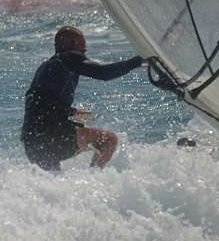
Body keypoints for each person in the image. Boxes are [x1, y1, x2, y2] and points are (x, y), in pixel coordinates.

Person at [21, 26, 147, 171]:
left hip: (31, 143)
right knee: (108, 139)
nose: (84, 52)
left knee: (53, 179)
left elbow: (39, 105)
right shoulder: (69, 57)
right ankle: (94, 178)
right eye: (83, 48)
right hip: (53, 137)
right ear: (71, 44)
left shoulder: (45, 67)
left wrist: (72, 112)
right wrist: (139, 61)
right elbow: (104, 73)